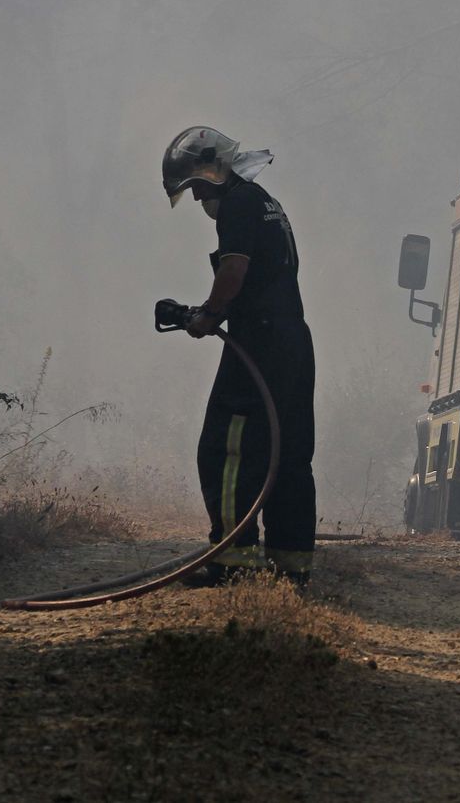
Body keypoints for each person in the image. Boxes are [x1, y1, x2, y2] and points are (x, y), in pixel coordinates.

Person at [161, 126, 316, 587]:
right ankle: (291, 568)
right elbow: (263, 278)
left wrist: (209, 316)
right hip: (292, 342)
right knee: (287, 455)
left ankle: (234, 562)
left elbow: (235, 269)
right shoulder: (265, 201)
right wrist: (210, 312)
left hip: (260, 347)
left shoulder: (238, 204)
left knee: (226, 449)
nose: (195, 197)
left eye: (195, 186)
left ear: (213, 171)